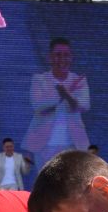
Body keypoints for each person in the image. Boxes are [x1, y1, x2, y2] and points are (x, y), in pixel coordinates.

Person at [23, 36, 92, 164]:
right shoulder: (39, 79)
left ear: (71, 57)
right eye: (58, 55)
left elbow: (84, 105)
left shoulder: (78, 80)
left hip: (73, 144)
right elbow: (38, 106)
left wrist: (67, 94)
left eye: (66, 55)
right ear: (50, 57)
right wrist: (63, 94)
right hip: (43, 145)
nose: (62, 59)